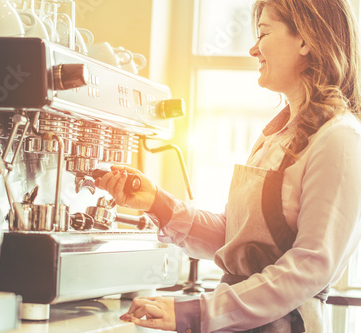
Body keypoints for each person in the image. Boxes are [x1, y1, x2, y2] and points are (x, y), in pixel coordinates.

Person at [95, 0, 361, 331]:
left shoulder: (339, 138)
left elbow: (309, 266)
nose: (253, 48)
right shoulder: (276, 135)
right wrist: (157, 203)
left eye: (263, 33)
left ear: (305, 39)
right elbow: (235, 237)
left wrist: (199, 312)